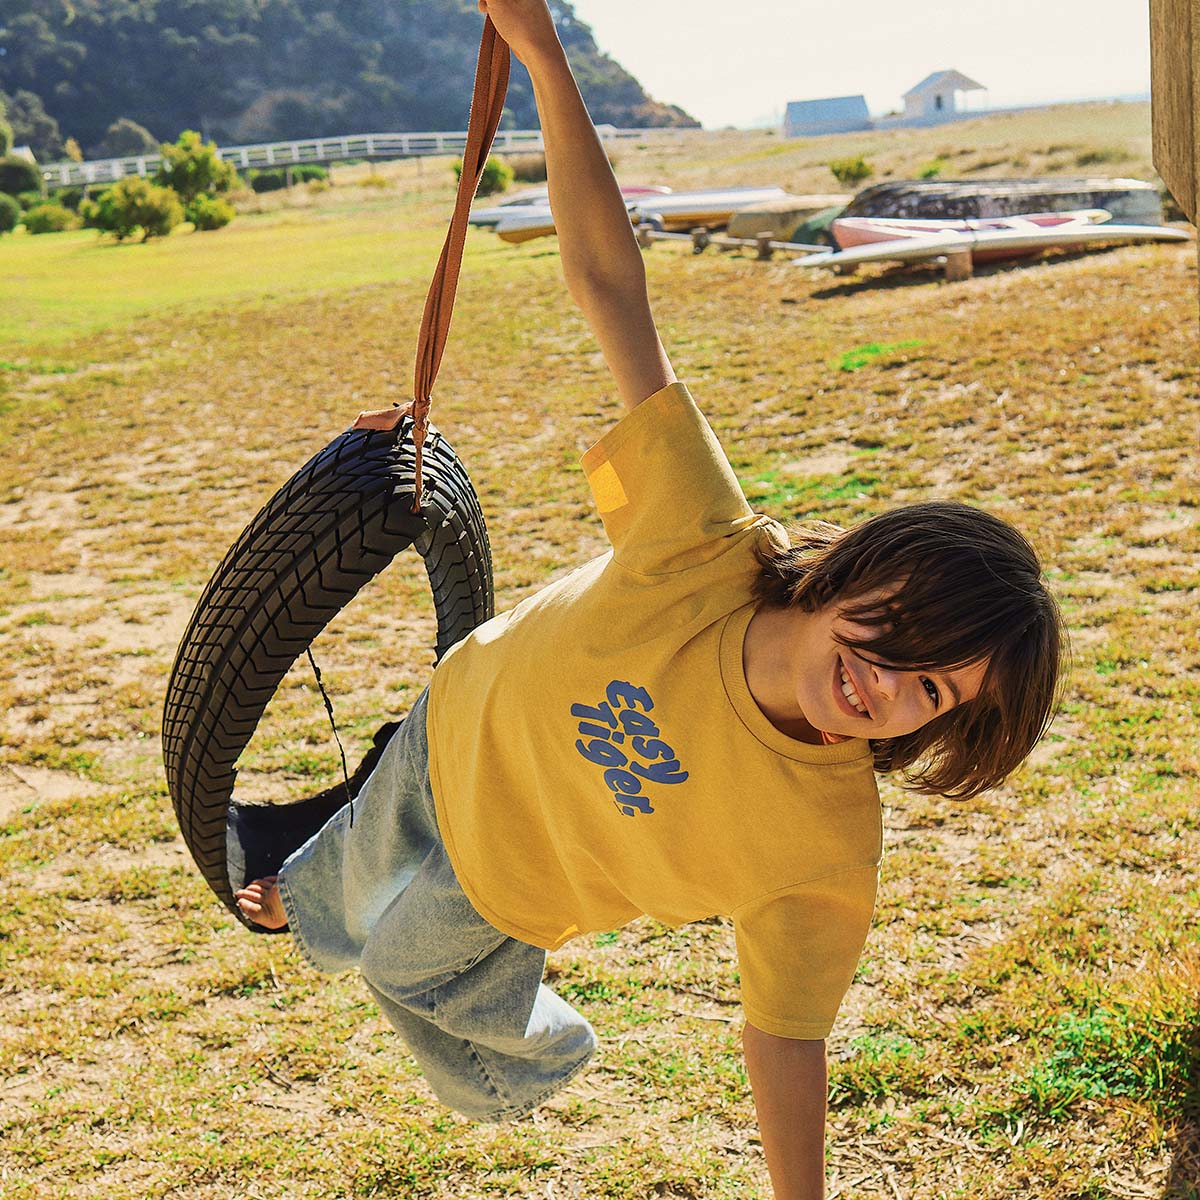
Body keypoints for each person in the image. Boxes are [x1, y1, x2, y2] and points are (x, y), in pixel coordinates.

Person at [235, 2, 1065, 1196]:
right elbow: (612, 288)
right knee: (334, 891)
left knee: (406, 977)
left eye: (930, 691)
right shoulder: (707, 543)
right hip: (453, 719)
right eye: (901, 634)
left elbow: (787, 1034)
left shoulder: (821, 848)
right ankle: (299, 890)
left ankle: (543, 1039)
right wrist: (539, 47)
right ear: (857, 573)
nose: (887, 684)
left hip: (508, 875)